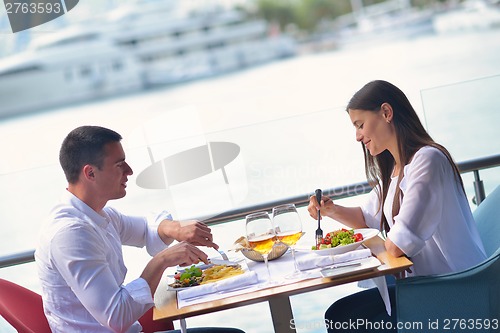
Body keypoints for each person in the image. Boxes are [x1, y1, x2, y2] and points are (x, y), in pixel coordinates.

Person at [308, 80, 486, 332]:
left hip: (453, 289)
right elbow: (366, 217)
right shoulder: (396, 169)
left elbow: (397, 246)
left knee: (345, 320)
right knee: (340, 314)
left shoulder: (427, 160)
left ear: (386, 113)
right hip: (425, 285)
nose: (357, 136)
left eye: (360, 125)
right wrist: (330, 210)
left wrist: (368, 247)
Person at [35, 125, 245, 333]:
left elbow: (144, 228)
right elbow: (117, 317)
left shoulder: (98, 214)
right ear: (90, 173)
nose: (130, 171)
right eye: (119, 165)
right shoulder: (71, 233)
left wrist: (175, 229)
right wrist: (162, 260)